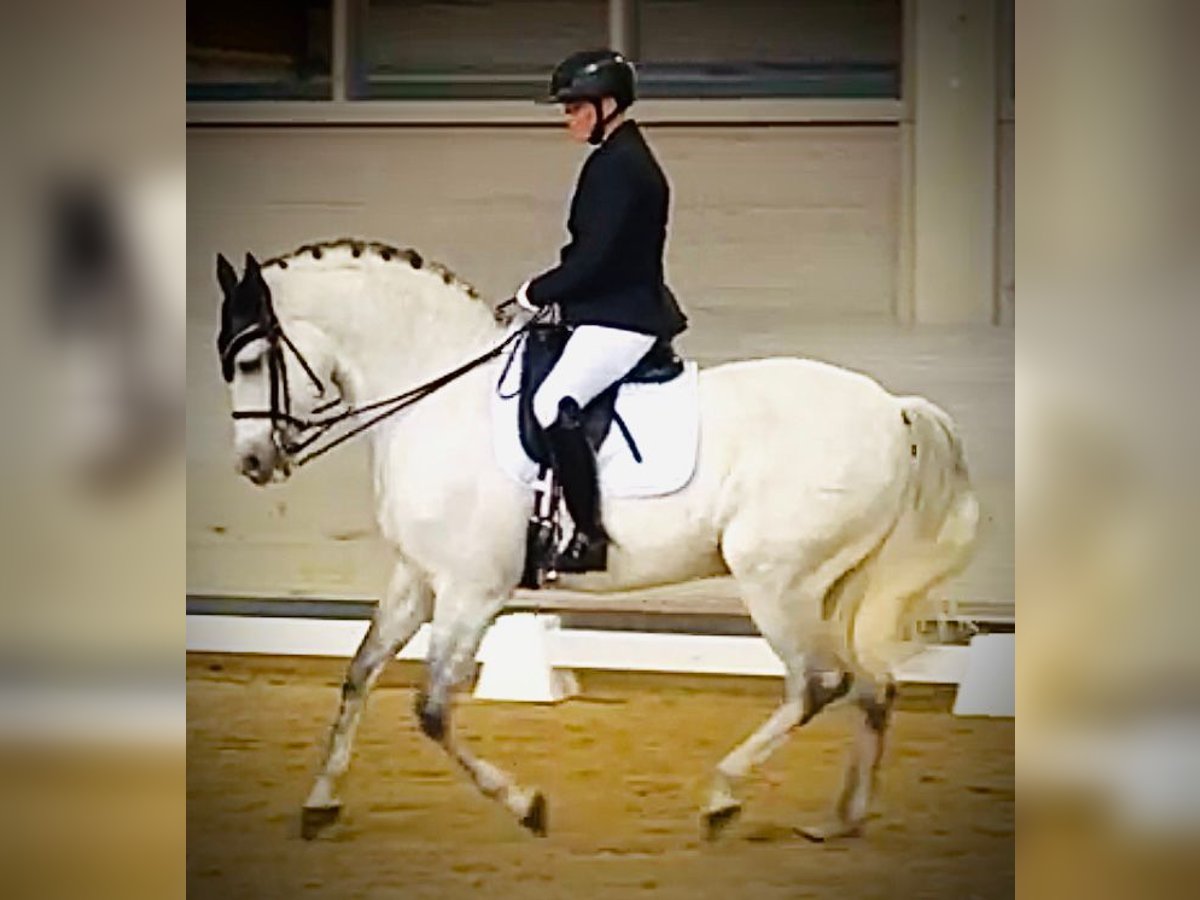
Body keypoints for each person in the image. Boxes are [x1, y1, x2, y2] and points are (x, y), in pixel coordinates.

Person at [515, 49, 688, 574]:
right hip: (605, 308)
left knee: (552, 403)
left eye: (574, 108)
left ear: (606, 104)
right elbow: (588, 252)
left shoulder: (619, 167)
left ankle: (589, 535)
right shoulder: (619, 158)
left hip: (623, 316)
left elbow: (597, 257)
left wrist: (538, 291)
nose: (568, 119)